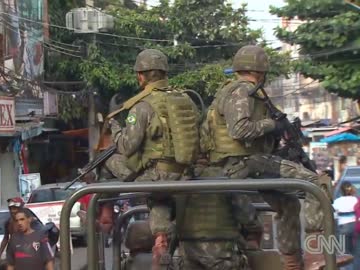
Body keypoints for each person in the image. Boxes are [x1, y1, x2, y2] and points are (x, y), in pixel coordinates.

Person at [201, 44, 352, 269]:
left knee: (289, 203)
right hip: (243, 162)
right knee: (315, 183)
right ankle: (317, 252)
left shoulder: (238, 91)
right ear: (260, 70)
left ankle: (292, 262)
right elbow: (239, 130)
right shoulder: (243, 90)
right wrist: (273, 125)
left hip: (242, 162)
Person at [104, 48, 201, 268]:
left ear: (140, 75)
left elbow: (128, 146)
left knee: (107, 159)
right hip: (185, 175)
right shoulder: (185, 99)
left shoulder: (141, 106)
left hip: (156, 177)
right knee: (159, 200)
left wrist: (115, 126)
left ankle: (105, 214)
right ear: (165, 73)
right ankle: (161, 239)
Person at [332, 181, 359, 270]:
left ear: (341, 190)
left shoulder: (337, 202)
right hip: (356, 228)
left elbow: (334, 216)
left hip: (343, 228)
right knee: (356, 253)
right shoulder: (356, 200)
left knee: (344, 254)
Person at [0, 197, 25, 265]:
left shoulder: (28, 221)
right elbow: (6, 238)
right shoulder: (8, 222)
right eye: (11, 208)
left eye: (15, 208)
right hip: (12, 253)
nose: (12, 211)